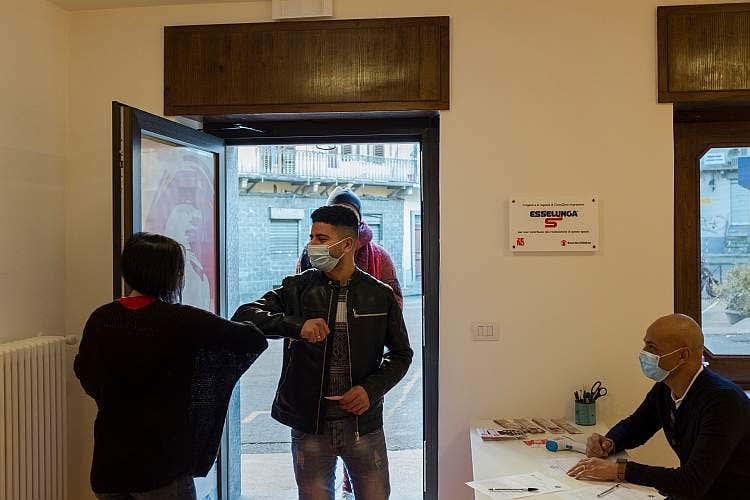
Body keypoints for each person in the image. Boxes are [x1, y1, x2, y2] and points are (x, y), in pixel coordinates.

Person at [233, 205, 413, 500]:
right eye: (311, 237)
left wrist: (371, 389)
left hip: (363, 424)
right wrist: (296, 326)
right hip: (310, 425)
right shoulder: (297, 288)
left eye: (321, 238)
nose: (312, 245)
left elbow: (401, 354)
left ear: (347, 244)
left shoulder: (380, 295)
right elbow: (245, 315)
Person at [75, 232, 268, 499]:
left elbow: (85, 373)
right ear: (171, 275)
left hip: (110, 465)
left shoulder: (101, 318)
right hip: (163, 467)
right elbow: (251, 339)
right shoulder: (185, 321)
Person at [567, 314, 750, 499]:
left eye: (652, 347)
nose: (644, 353)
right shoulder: (666, 387)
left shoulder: (723, 402)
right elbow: (637, 426)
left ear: (682, 355)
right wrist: (609, 442)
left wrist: (620, 470)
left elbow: (693, 481)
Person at [297, 187, 404, 308]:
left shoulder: (380, 257)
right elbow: (296, 300)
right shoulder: (310, 253)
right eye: (337, 216)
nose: (344, 221)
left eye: (350, 216)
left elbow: (394, 304)